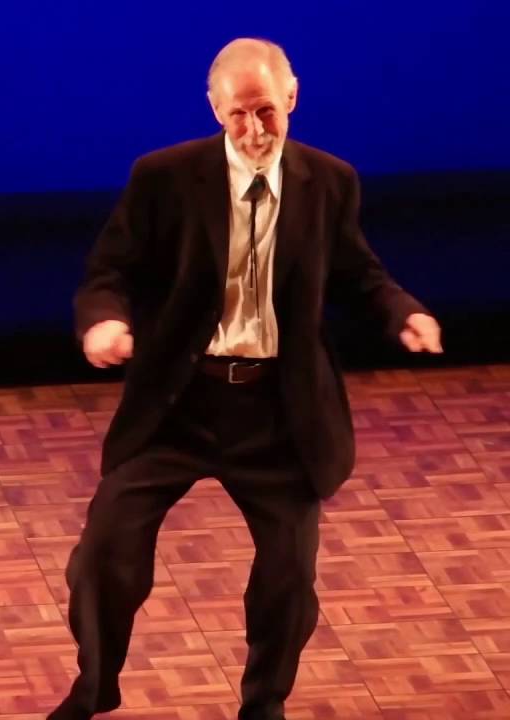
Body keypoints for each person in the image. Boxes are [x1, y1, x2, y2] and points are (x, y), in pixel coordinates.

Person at [50, 38, 442, 720]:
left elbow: (360, 274)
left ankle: (263, 707)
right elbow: (108, 272)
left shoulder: (330, 181)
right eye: (238, 114)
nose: (254, 130)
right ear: (214, 108)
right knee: (104, 554)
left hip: (278, 410)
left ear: (292, 98)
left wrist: (402, 312)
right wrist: (103, 321)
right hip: (180, 402)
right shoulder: (165, 177)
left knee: (288, 580)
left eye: (266, 111)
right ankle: (95, 687)